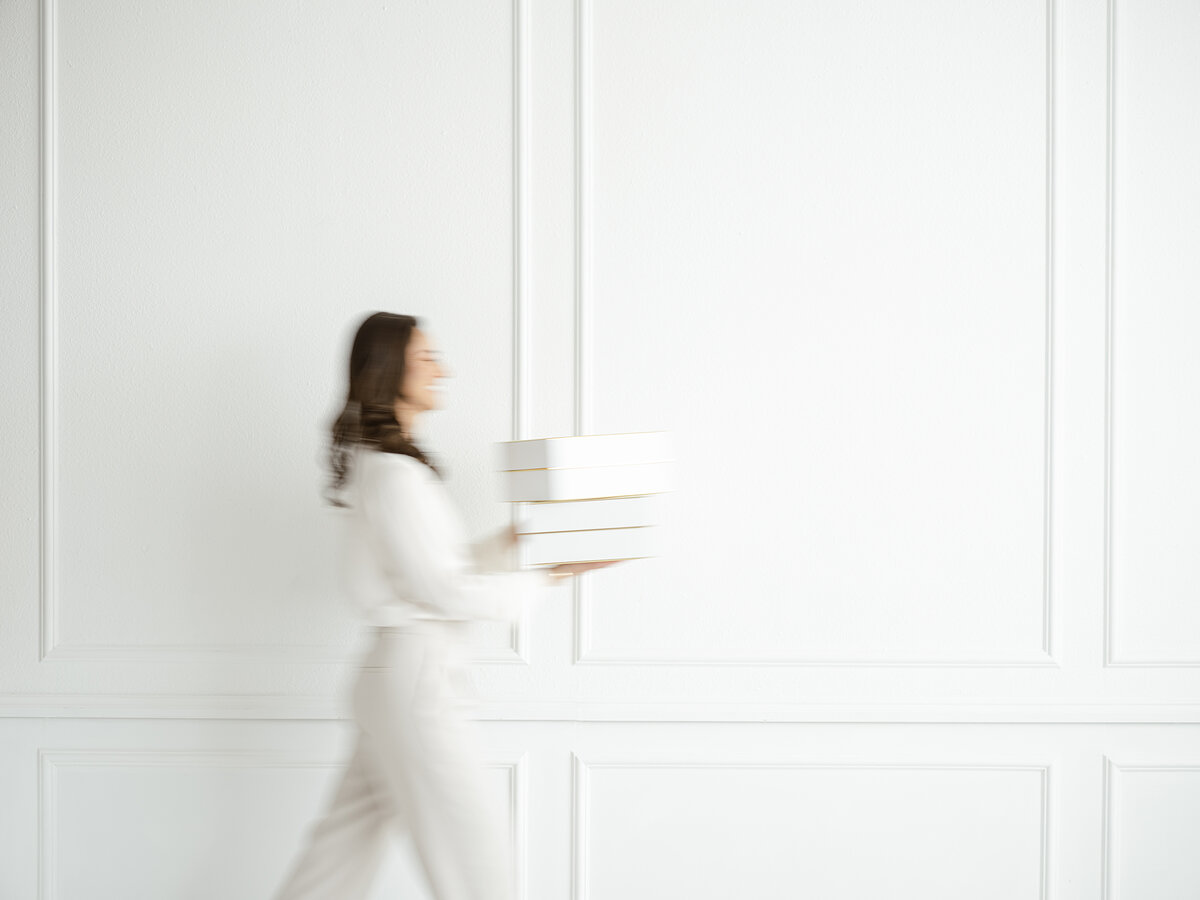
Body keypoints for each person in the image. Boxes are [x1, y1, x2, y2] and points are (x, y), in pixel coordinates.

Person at [270, 312, 619, 900]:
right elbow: (446, 591)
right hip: (416, 683)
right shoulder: (394, 476)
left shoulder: (382, 471)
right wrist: (541, 577)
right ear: (391, 370)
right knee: (476, 867)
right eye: (427, 358)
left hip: (392, 676)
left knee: (334, 865)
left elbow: (434, 571)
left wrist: (522, 545)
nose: (443, 370)